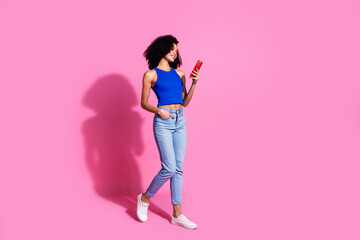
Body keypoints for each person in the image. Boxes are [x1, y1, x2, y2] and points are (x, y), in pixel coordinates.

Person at [137, 35, 200, 230]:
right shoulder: (150, 75)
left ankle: (177, 215)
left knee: (178, 169)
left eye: (176, 50)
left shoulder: (179, 74)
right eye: (172, 48)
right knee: (169, 167)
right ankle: (144, 198)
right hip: (163, 122)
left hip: (180, 120)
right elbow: (143, 102)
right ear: (162, 49)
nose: (175, 52)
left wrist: (194, 84)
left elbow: (185, 102)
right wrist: (158, 110)